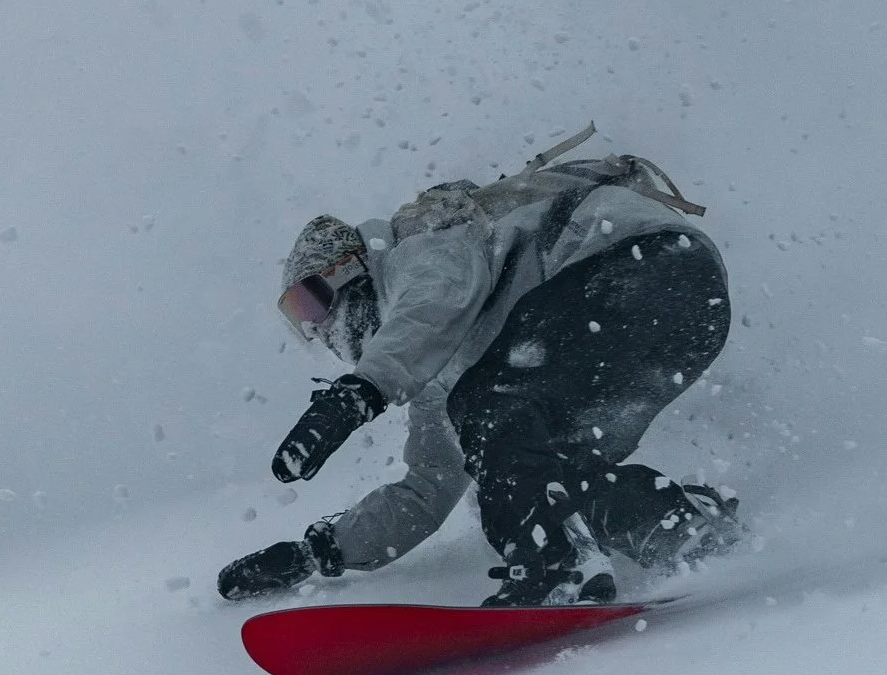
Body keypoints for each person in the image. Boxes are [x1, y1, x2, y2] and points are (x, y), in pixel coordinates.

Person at [217, 127, 742, 607]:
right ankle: (681, 529)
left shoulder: (420, 246)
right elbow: (428, 487)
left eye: (311, 302)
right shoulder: (436, 371)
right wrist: (319, 552)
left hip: (635, 265)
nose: (317, 328)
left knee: (489, 408)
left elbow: (432, 304)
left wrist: (356, 393)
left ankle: (556, 566)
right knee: (545, 469)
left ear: (349, 267)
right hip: (685, 312)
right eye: (299, 320)